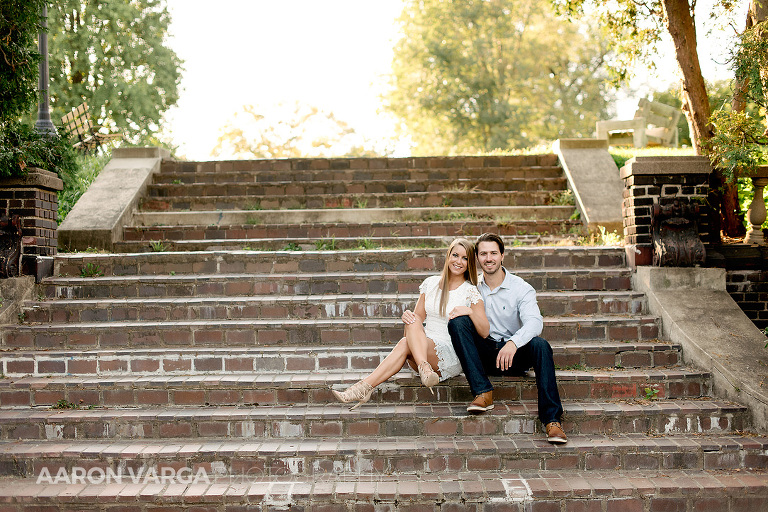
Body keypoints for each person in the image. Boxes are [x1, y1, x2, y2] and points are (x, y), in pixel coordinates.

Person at [332, 238, 490, 410]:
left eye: (465, 258)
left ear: (470, 264)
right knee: (413, 321)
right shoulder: (431, 284)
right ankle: (423, 368)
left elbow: (484, 331)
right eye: (455, 255)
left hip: (448, 353)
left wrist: (470, 312)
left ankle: (363, 388)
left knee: (404, 343)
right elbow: (418, 317)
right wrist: (408, 316)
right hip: (423, 351)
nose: (459, 261)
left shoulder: (470, 291)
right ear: (448, 256)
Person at [448, 233, 567, 444]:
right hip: (483, 355)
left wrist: (513, 342)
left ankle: (552, 420)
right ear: (477, 258)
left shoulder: (521, 288)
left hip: (513, 356)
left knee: (541, 345)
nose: (489, 258)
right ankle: (483, 392)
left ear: (502, 255)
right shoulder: (471, 288)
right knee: (457, 322)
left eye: (493, 253)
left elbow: (535, 322)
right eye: (483, 254)